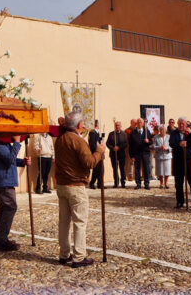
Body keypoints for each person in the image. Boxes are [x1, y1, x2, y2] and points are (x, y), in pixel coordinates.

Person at [54, 112, 105, 268]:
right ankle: (79, 256)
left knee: (64, 221)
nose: (83, 126)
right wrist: (99, 152)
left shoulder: (60, 140)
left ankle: (64, 254)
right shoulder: (78, 141)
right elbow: (89, 162)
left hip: (62, 185)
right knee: (79, 222)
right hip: (75, 186)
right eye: (82, 123)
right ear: (78, 125)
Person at [0, 136, 31, 251]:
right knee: (10, 207)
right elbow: (9, 159)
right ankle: (1, 240)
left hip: (5, 180)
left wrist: (22, 162)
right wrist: (16, 142)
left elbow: (10, 159)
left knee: (5, 208)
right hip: (2, 181)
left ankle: (0, 239)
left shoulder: (3, 142)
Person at [169, 117, 191, 209]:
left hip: (189, 161)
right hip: (178, 162)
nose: (181, 125)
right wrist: (179, 144)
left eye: (183, 124)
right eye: (179, 124)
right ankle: (180, 201)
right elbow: (171, 143)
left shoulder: (190, 133)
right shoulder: (174, 133)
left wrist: (190, 134)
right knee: (178, 183)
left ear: (186, 124)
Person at [129, 118, 152, 190]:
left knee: (146, 169)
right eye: (138, 122)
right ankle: (138, 184)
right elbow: (131, 145)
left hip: (145, 153)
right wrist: (131, 155)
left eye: (141, 122)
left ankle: (147, 184)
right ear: (137, 123)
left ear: (143, 123)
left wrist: (148, 141)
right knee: (137, 169)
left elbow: (151, 142)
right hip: (136, 154)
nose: (139, 123)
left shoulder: (147, 131)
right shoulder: (133, 132)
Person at [106, 121, 128, 188]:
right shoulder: (111, 134)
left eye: (118, 125)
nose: (117, 127)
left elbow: (126, 143)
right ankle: (116, 183)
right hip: (113, 154)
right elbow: (107, 143)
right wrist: (113, 148)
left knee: (122, 169)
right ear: (115, 126)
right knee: (115, 169)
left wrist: (119, 147)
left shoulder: (124, 134)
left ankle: (123, 183)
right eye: (116, 125)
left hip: (121, 154)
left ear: (121, 126)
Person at [89, 120, 104, 189]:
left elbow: (99, 141)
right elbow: (92, 144)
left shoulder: (98, 133)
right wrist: (98, 149)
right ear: (97, 125)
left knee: (101, 169)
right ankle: (92, 183)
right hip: (95, 153)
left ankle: (100, 183)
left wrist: (101, 138)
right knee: (96, 169)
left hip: (100, 153)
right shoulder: (92, 133)